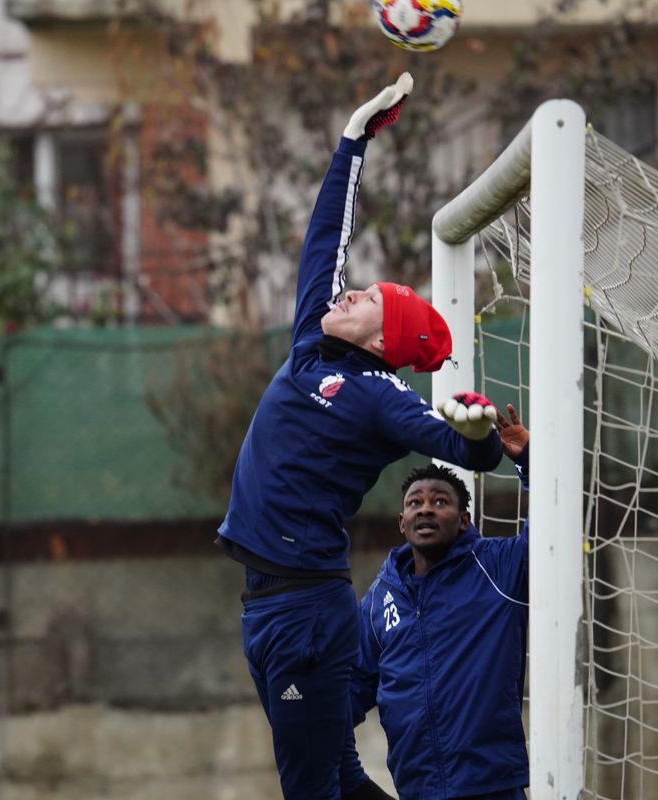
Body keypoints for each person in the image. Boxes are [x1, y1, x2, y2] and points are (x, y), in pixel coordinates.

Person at [215, 71, 505, 800]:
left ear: (385, 339)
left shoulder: (380, 395)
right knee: (339, 776)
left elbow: (465, 449)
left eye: (368, 299)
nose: (346, 292)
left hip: (306, 612)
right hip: (268, 605)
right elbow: (324, 244)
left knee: (312, 789)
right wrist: (352, 143)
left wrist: (477, 434)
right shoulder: (312, 345)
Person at [350, 404, 532, 800]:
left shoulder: (499, 567)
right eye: (415, 503)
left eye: (440, 502)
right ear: (402, 522)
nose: (426, 508)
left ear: (463, 520)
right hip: (416, 791)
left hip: (492, 788)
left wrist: (530, 462)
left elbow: (551, 530)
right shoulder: (381, 597)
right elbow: (352, 687)